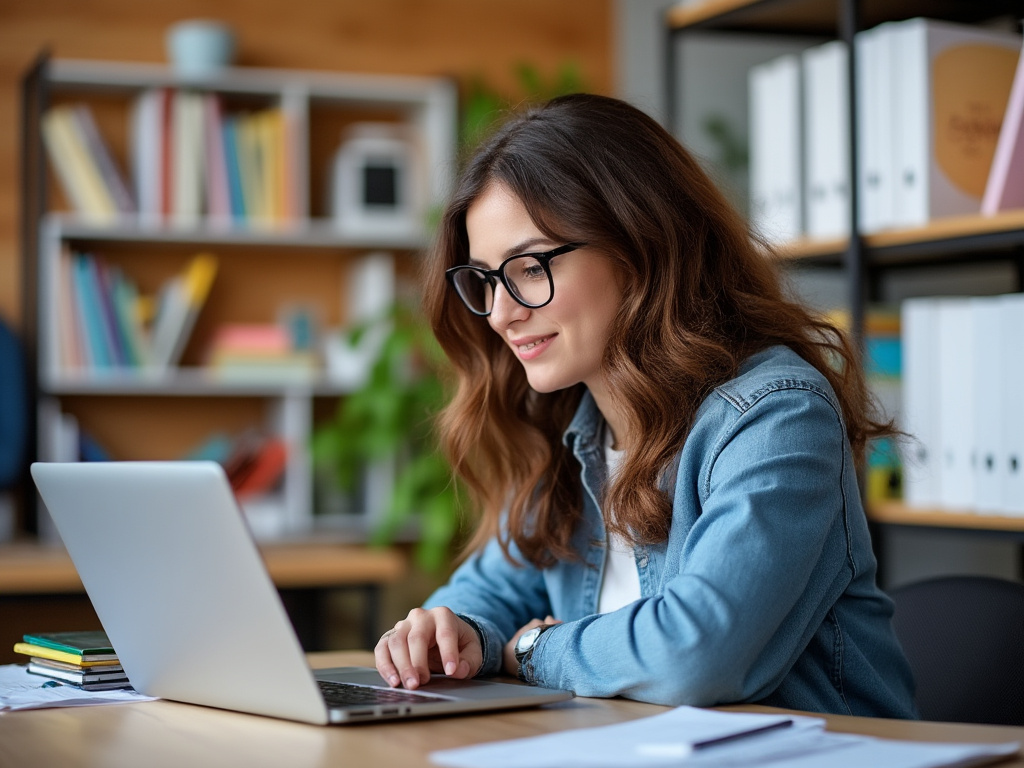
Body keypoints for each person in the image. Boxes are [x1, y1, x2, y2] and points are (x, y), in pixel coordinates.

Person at [374, 93, 917, 718]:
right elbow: (487, 593)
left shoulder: (776, 413)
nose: (500, 313)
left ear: (640, 244)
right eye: (487, 280)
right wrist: (446, 632)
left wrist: (531, 649)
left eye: (527, 267)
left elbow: (694, 654)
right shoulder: (562, 424)